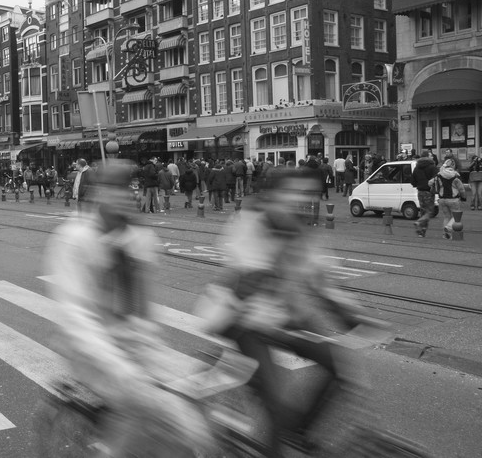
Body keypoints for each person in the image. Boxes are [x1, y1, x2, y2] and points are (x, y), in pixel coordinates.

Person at [195, 168, 366, 455]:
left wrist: (354, 315)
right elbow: (248, 276)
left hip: (279, 314)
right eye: (293, 192)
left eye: (307, 194)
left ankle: (296, 431)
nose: (302, 200)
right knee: (276, 398)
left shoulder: (298, 229)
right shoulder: (249, 222)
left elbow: (319, 278)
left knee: (337, 363)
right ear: (273, 195)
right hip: (238, 316)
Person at [45, 161, 212, 455]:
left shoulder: (139, 239)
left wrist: (154, 354)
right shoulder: (74, 240)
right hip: (89, 349)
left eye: (129, 188)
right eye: (115, 189)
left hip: (132, 344)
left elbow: (144, 310)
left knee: (191, 411)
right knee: (141, 407)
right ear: (97, 193)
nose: (125, 195)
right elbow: (77, 316)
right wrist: (123, 369)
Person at [429, 158, 466, 240]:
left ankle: (445, 235)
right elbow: (461, 189)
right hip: (453, 199)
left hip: (442, 199)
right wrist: (463, 198)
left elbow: (430, 183)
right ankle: (449, 227)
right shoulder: (456, 175)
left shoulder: (439, 174)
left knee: (446, 217)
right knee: (456, 217)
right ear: (453, 166)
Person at [411, 150, 439, 237]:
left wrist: (419, 184)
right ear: (427, 157)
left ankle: (422, 232)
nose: (432, 157)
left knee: (423, 212)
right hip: (429, 191)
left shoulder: (417, 167)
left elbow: (413, 181)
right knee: (430, 212)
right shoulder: (432, 167)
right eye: (430, 155)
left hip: (420, 191)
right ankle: (419, 222)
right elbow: (437, 178)